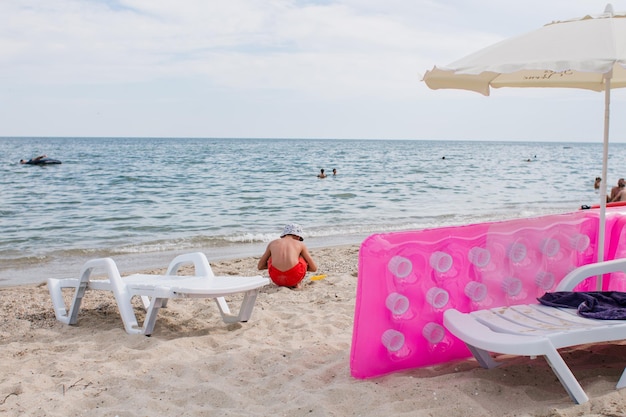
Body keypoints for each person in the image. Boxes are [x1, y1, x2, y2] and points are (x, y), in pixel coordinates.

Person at [258, 223, 318, 288]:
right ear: (298, 236)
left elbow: (260, 266)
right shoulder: (300, 244)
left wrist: (278, 264)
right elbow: (314, 268)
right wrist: (303, 267)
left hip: (277, 278)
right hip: (294, 278)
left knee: (271, 258)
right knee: (300, 257)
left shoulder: (272, 243)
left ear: (284, 234)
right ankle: (297, 284)